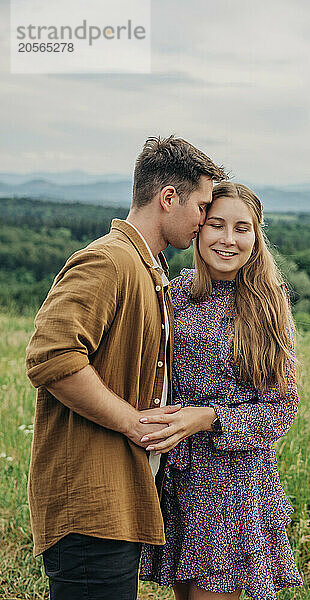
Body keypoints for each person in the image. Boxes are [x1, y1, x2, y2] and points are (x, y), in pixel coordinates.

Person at [25, 135, 227, 600]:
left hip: (117, 504)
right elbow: (52, 354)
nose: (203, 221)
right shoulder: (108, 260)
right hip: (89, 508)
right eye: (200, 206)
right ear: (168, 198)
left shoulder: (147, 269)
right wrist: (133, 423)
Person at [138, 182, 303, 600]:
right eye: (217, 225)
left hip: (234, 487)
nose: (228, 239)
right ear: (198, 229)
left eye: (242, 228)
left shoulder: (267, 304)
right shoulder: (174, 294)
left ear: (256, 235)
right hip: (179, 477)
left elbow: (282, 410)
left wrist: (208, 417)